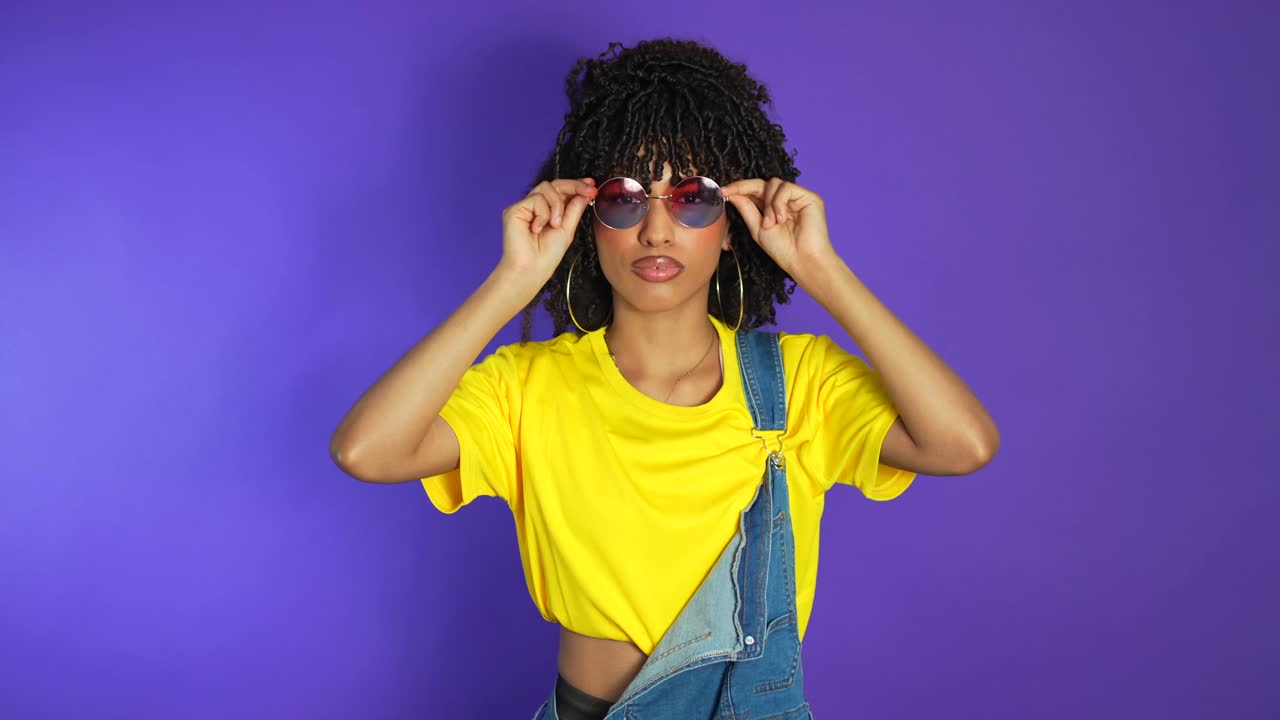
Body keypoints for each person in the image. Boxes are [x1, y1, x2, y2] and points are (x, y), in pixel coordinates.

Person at [330, 37, 999, 720]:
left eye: (691, 199)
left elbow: (963, 443)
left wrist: (822, 269)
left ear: (732, 225)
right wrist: (511, 283)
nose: (656, 230)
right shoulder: (527, 388)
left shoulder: (797, 383)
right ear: (588, 221)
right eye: (624, 199)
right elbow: (367, 450)